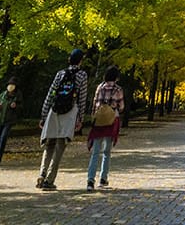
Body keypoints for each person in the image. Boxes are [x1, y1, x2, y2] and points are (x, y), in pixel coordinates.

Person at [36, 48, 88, 190]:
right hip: (69, 113)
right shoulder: (82, 75)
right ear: (80, 61)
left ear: (69, 59)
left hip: (54, 111)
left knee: (49, 144)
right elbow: (82, 98)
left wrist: (44, 114)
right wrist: (80, 119)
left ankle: (42, 173)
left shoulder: (60, 74)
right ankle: (50, 179)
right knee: (60, 146)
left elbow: (51, 93)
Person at [85, 64, 125, 189]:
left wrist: (93, 117)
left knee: (95, 152)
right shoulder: (118, 89)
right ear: (116, 76)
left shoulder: (99, 87)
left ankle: (90, 180)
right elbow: (122, 106)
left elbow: (94, 104)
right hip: (112, 120)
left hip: (99, 121)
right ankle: (103, 178)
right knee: (107, 151)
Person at [0, 78, 19, 164]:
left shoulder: (16, 96)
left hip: (9, 120)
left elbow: (20, 106)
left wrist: (15, 106)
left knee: (3, 138)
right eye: (9, 84)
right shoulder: (2, 94)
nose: (10, 86)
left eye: (13, 85)